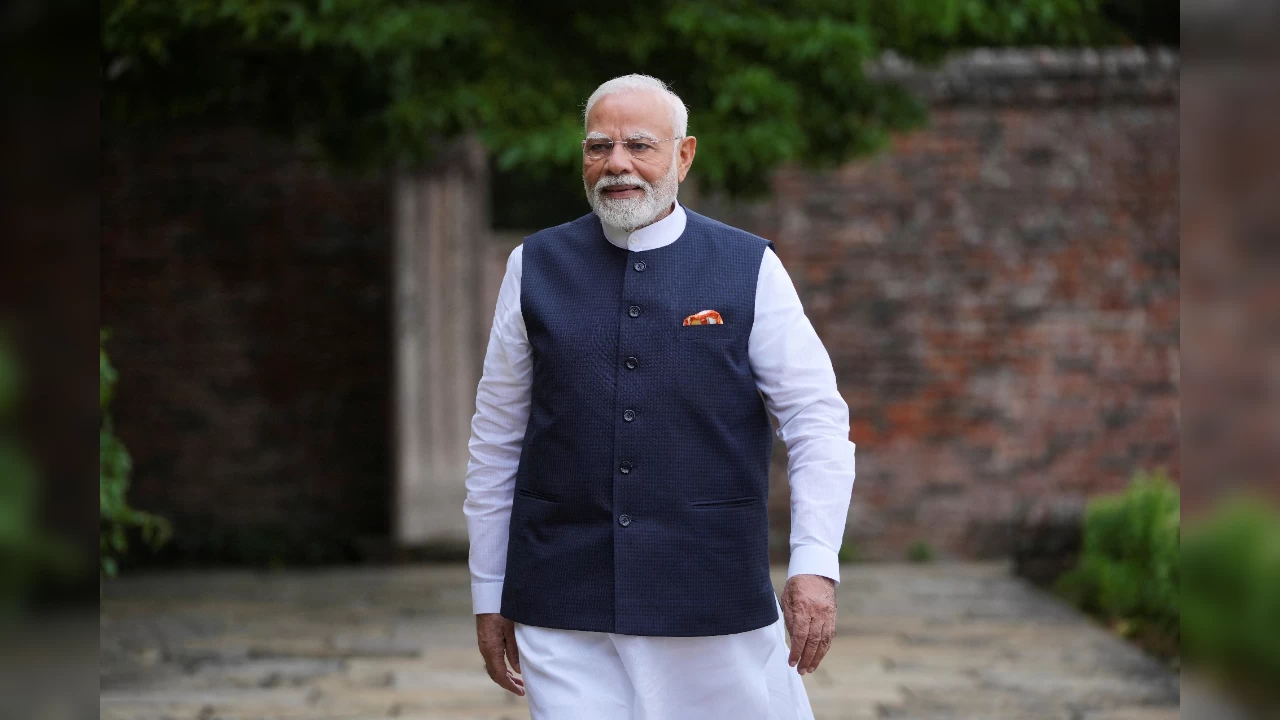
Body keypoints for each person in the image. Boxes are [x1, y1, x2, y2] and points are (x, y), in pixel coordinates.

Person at [462, 73, 856, 720]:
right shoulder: (535, 266)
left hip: (711, 590)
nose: (616, 163)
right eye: (598, 147)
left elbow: (815, 422)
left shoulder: (746, 266)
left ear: (684, 154)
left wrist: (814, 565)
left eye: (639, 145)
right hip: (563, 597)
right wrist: (488, 589)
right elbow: (496, 438)